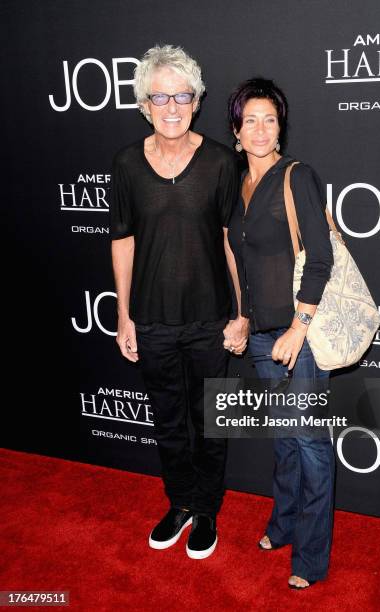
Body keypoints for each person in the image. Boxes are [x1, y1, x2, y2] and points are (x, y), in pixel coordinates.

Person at [110, 45, 247, 560]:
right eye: (160, 96)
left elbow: (234, 241)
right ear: (145, 103)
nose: (172, 105)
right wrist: (124, 315)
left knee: (211, 419)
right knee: (168, 420)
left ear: (196, 100)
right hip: (153, 320)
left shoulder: (219, 162)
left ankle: (208, 508)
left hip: (211, 320)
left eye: (182, 95)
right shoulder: (125, 163)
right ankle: (181, 503)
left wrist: (242, 311)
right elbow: (122, 240)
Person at [227, 78, 335, 589]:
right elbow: (245, 263)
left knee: (311, 441)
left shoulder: (298, 176)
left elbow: (322, 258)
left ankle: (311, 557)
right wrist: (244, 317)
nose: (261, 128)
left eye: (270, 118)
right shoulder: (238, 186)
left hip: (301, 334)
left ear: (281, 126)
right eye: (251, 119)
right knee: (286, 438)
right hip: (264, 336)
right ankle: (284, 523)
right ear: (236, 130)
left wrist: (299, 326)